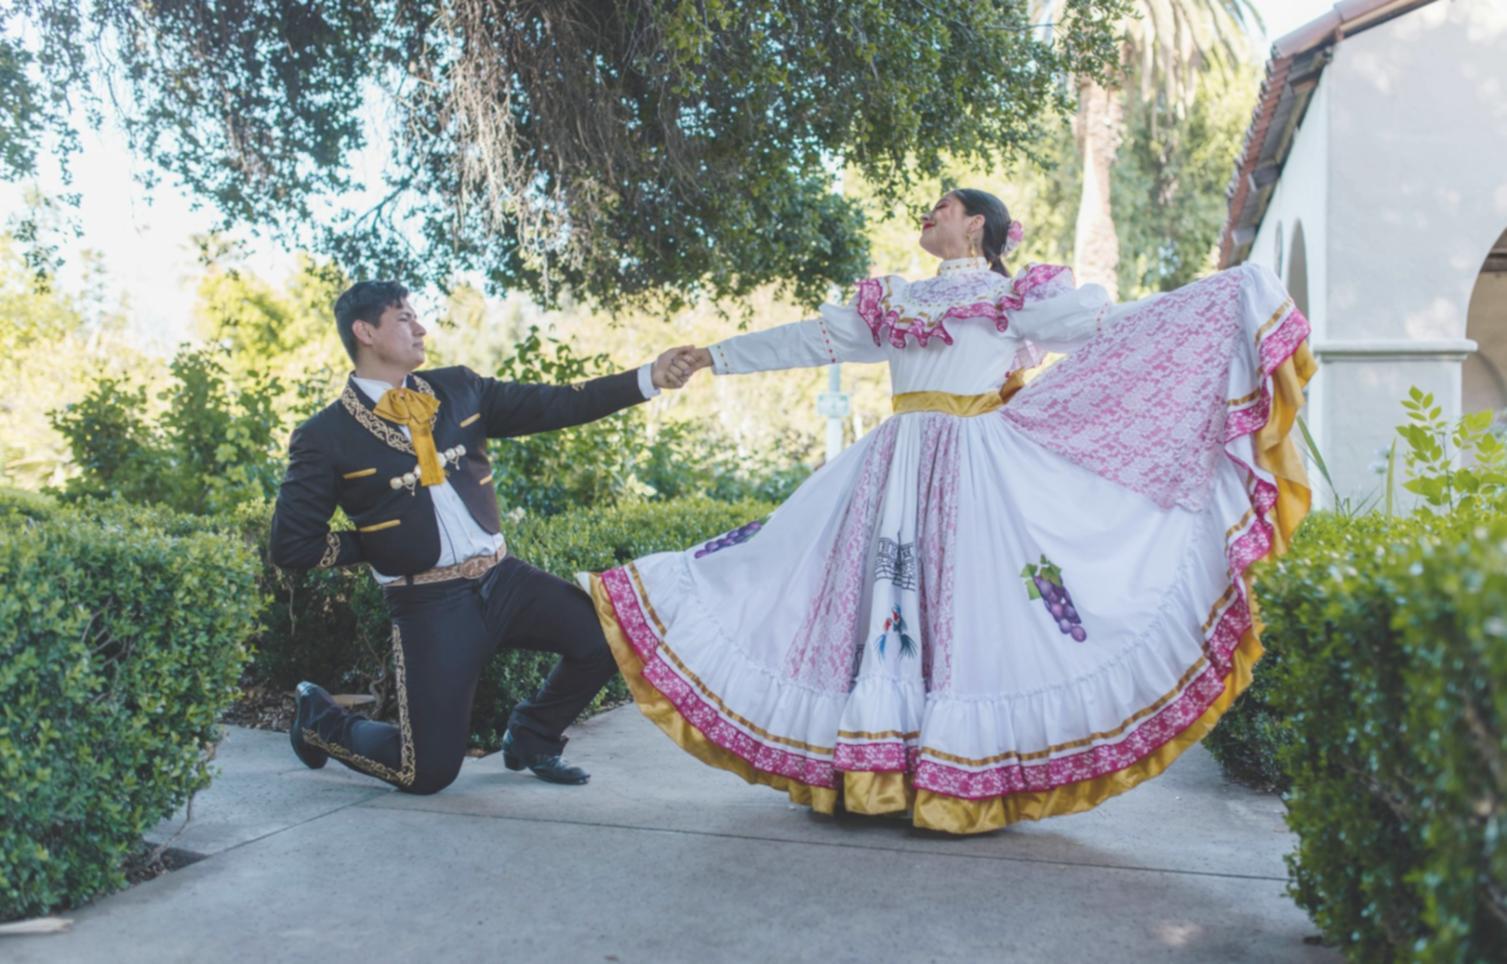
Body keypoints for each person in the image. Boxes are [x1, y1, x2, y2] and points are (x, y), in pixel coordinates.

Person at [586, 188, 1317, 834]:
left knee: (968, 608)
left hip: (975, 467)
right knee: (855, 599)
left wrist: (1219, 299)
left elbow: (1109, 327)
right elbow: (810, 340)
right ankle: (872, 773)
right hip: (894, 464)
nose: (929, 211)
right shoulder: (894, 298)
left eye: (945, 204)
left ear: (976, 226)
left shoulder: (1016, 298)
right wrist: (714, 355)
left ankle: (955, 775)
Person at [270, 280, 697, 794]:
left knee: (605, 637)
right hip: (428, 601)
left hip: (503, 579)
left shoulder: (458, 388)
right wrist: (383, 545)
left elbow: (556, 404)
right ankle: (321, 721)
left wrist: (648, 377)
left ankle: (532, 737)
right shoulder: (324, 435)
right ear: (365, 332)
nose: (420, 326)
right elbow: (293, 545)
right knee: (425, 773)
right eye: (404, 318)